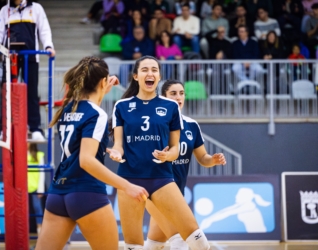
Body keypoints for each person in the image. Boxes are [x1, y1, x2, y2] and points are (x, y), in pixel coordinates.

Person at [34, 56, 148, 250]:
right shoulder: (97, 114)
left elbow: (79, 144)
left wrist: (102, 148)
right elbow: (86, 160)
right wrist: (127, 186)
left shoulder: (68, 108)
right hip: (86, 193)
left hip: (58, 194)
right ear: (103, 82)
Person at [108, 55, 210, 250]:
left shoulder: (170, 106)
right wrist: (115, 152)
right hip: (129, 180)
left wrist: (168, 155)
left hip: (162, 178)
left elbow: (174, 149)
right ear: (136, 76)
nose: (150, 73)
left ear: (159, 76)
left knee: (199, 242)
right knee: (133, 246)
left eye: (154, 70)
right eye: (145, 70)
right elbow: (119, 144)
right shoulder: (121, 106)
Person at [144, 79, 226, 250]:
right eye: (173, 93)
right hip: (155, 190)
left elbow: (203, 158)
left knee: (154, 244)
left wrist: (213, 160)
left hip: (176, 194)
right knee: (183, 242)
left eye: (181, 93)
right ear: (163, 97)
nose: (178, 97)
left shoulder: (191, 125)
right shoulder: (154, 124)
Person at [0, 0, 56, 141]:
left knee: (31, 93)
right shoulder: (4, 10)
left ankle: (35, 128)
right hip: (10, 57)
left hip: (31, 57)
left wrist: (48, 46)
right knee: (7, 93)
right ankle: (4, 130)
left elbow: (44, 30)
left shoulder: (37, 8)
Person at [27, 143, 45, 235]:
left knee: (37, 208)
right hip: (23, 186)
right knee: (23, 210)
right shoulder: (19, 154)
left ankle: (40, 231)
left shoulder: (39, 155)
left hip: (35, 186)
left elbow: (42, 172)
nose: (26, 142)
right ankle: (23, 232)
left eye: (28, 140)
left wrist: (40, 188)